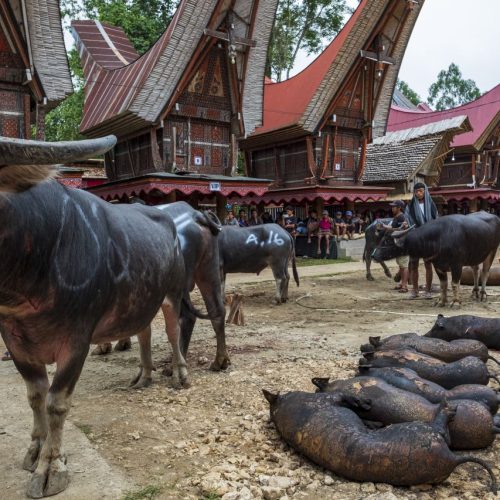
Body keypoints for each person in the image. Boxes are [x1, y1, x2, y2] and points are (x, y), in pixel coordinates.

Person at [405, 182, 438, 299]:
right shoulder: (410, 206)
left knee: (428, 264)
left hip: (428, 239)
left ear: (425, 191)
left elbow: (436, 221)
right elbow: (408, 220)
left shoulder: (431, 205)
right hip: (415, 238)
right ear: (414, 193)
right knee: (414, 265)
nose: (419, 193)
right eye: (417, 191)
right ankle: (415, 290)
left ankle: (428, 291)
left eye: (421, 191)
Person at [381, 200, 409, 293]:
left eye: (394, 207)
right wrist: (385, 226)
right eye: (392, 206)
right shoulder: (397, 217)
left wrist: (388, 229)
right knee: (401, 265)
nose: (392, 208)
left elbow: (402, 229)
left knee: (404, 265)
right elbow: (395, 228)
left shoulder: (402, 217)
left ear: (399, 208)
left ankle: (405, 286)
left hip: (403, 244)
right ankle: (402, 283)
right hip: (397, 244)